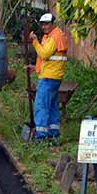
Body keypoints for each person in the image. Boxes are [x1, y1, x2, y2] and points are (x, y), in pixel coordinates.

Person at [29, 12, 69, 140]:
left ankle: (41, 136)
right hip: (53, 76)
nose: (44, 27)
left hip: (48, 78)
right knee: (52, 106)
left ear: (53, 24)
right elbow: (48, 59)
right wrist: (35, 67)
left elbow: (45, 54)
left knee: (41, 106)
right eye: (42, 24)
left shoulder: (54, 37)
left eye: (47, 24)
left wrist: (35, 41)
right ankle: (53, 133)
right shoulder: (52, 36)